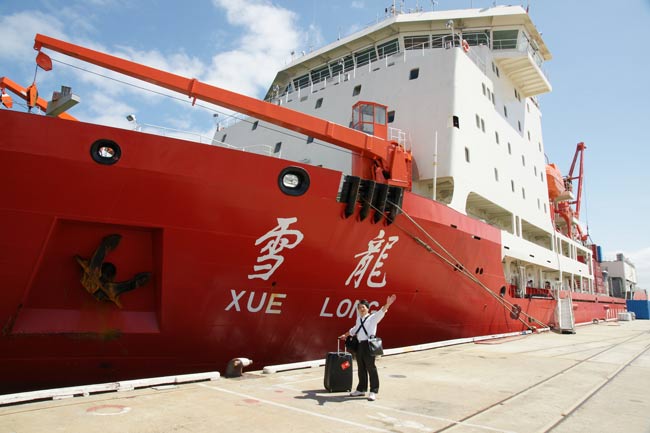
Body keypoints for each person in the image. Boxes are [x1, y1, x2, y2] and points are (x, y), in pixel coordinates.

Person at [338, 294, 396, 401]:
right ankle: (361, 389)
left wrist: (388, 304)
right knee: (361, 368)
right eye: (359, 308)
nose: (361, 309)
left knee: (371, 368)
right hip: (360, 345)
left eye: (363, 307)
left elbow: (382, 311)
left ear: (368, 308)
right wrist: (345, 335)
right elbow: (354, 329)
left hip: (369, 345)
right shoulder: (359, 319)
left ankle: (373, 391)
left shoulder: (373, 317)